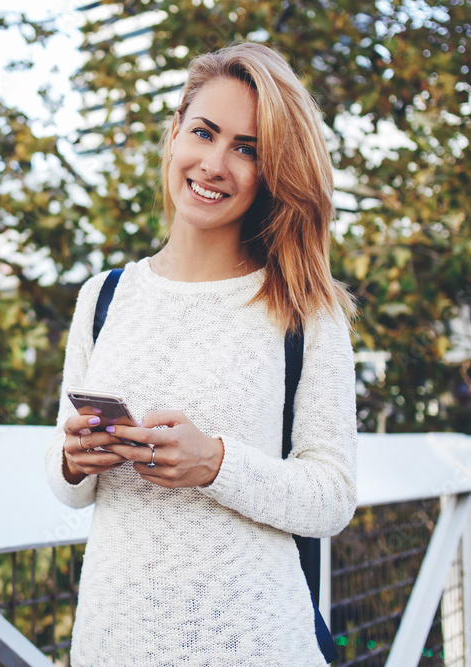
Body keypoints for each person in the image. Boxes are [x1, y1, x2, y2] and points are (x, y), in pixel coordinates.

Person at [44, 42, 358, 665]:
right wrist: (76, 460)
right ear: (176, 134)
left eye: (248, 149)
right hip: (113, 642)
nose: (215, 163)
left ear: (273, 173)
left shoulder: (302, 307)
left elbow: (332, 495)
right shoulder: (104, 297)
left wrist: (214, 463)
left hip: (256, 646)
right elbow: (67, 489)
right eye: (204, 132)